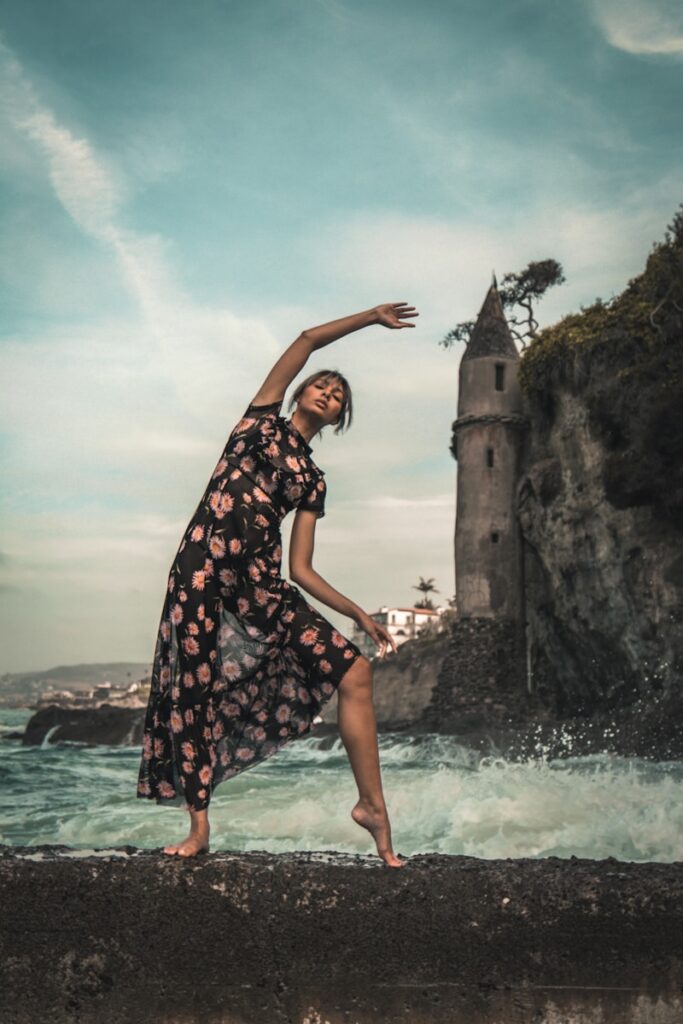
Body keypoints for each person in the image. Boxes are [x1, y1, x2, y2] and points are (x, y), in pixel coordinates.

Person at [136, 301, 419, 868]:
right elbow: (308, 339)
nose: (329, 394)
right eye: (322, 386)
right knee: (196, 691)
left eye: (339, 397)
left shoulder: (312, 479)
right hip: (202, 570)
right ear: (297, 393)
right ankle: (199, 827)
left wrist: (358, 614)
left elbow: (302, 569)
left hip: (261, 588)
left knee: (355, 671)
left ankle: (372, 807)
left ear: (338, 419)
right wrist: (371, 318)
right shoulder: (257, 421)